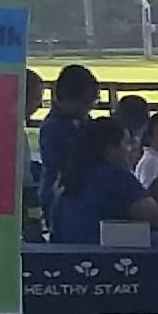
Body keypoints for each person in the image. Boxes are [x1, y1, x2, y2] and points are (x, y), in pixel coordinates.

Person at [33, 62, 108, 230]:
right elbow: (60, 163)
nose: (89, 107)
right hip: (59, 194)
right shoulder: (54, 127)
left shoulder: (83, 121)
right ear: (66, 99)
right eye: (85, 101)